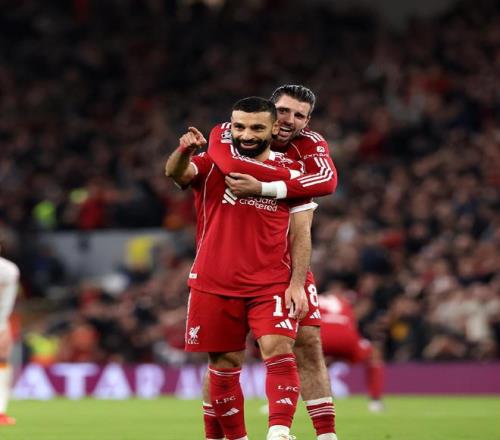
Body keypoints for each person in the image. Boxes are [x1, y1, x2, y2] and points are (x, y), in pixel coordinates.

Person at [165, 97, 315, 440]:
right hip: (213, 281)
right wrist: (185, 150)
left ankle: (279, 432)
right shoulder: (212, 163)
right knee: (224, 365)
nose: (246, 135)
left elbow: (301, 234)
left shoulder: (292, 174)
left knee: (279, 349)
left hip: (270, 282)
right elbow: (175, 173)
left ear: (273, 129)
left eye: (257, 128)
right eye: (239, 127)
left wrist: (297, 283)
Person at [206, 85, 338, 440]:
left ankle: (325, 435)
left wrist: (267, 188)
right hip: (230, 265)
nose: (289, 120)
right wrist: (294, 179)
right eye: (283, 111)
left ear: (308, 121)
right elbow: (230, 165)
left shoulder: (310, 145)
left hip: (286, 264)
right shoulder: (230, 132)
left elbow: (327, 182)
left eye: (299, 115)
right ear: (269, 109)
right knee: (222, 355)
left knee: (308, 343)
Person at [319, 285, 385, 412]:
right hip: (346, 338)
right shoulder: (345, 302)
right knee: (374, 355)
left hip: (322, 337)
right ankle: (375, 402)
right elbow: (353, 323)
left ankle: (287, 397)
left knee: (300, 361)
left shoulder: (313, 299)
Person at [0, 253, 20, 426]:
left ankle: (0, 412)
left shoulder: (7, 271)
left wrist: (1, 327)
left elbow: (5, 304)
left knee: (2, 358)